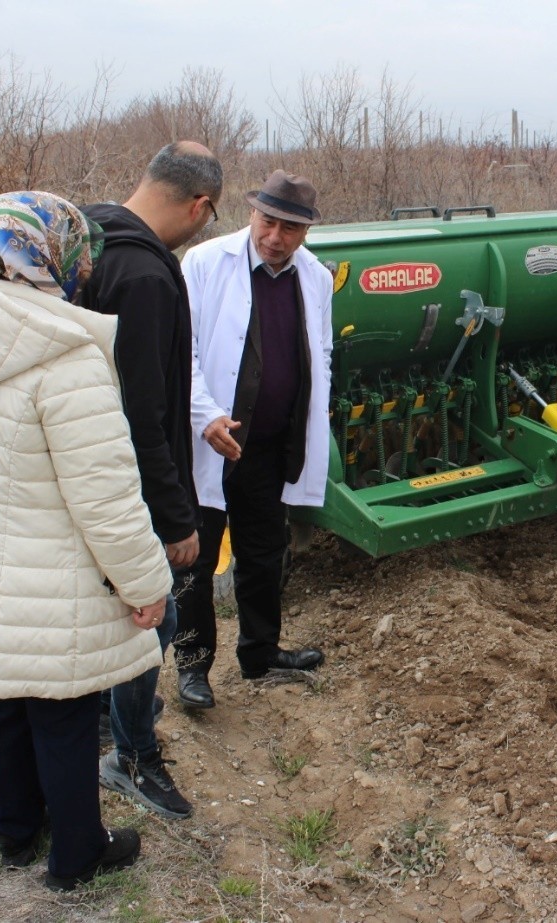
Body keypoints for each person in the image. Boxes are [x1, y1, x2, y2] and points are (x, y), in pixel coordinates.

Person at [0, 191, 172, 890]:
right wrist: (144, 587)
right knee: (63, 712)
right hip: (46, 577)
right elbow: (106, 498)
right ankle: (77, 851)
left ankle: (15, 831)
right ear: (51, 254)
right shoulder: (64, 356)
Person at [79, 141, 222, 820]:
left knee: (116, 615)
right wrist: (175, 518)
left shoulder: (89, 233)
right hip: (123, 479)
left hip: (79, 470)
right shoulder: (145, 276)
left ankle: (111, 719)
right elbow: (146, 409)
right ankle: (131, 753)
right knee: (152, 618)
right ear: (199, 206)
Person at [178, 170, 332, 688]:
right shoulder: (204, 264)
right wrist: (205, 416)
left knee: (265, 554)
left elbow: (321, 353)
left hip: (269, 446)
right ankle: (193, 668)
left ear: (305, 231)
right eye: (268, 222)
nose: (275, 237)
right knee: (195, 562)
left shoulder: (314, 276)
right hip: (214, 443)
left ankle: (260, 655)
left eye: (289, 229)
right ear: (252, 214)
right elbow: (184, 355)